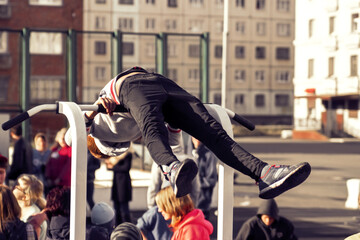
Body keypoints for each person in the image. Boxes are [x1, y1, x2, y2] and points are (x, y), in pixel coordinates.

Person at [82, 66, 311, 199]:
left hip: (137, 85)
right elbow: (173, 141)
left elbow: (72, 134)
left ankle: (264, 173)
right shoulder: (126, 136)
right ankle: (263, 172)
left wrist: (93, 111)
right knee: (209, 133)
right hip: (158, 86)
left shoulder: (103, 132)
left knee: (206, 132)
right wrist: (177, 125)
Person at [147, 125, 200, 209]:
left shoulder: (159, 161)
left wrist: (152, 209)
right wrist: (192, 207)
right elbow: (196, 189)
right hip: (184, 207)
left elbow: (154, 187)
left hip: (166, 206)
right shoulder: (190, 160)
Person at [13, 174, 47, 240]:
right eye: (16, 183)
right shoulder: (19, 209)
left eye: (17, 187)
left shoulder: (32, 216)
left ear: (25, 197)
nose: (14, 186)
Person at [104, 148, 133, 225]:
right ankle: (117, 226)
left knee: (124, 209)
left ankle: (127, 227)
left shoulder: (128, 154)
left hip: (123, 184)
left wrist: (113, 167)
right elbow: (108, 167)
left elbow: (126, 167)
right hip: (116, 184)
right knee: (116, 208)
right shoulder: (115, 156)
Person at [191, 137, 218, 219]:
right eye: (194, 137)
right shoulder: (190, 153)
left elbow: (211, 180)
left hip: (202, 205)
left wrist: (195, 183)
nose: (197, 140)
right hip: (190, 205)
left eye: (198, 137)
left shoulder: (209, 155)